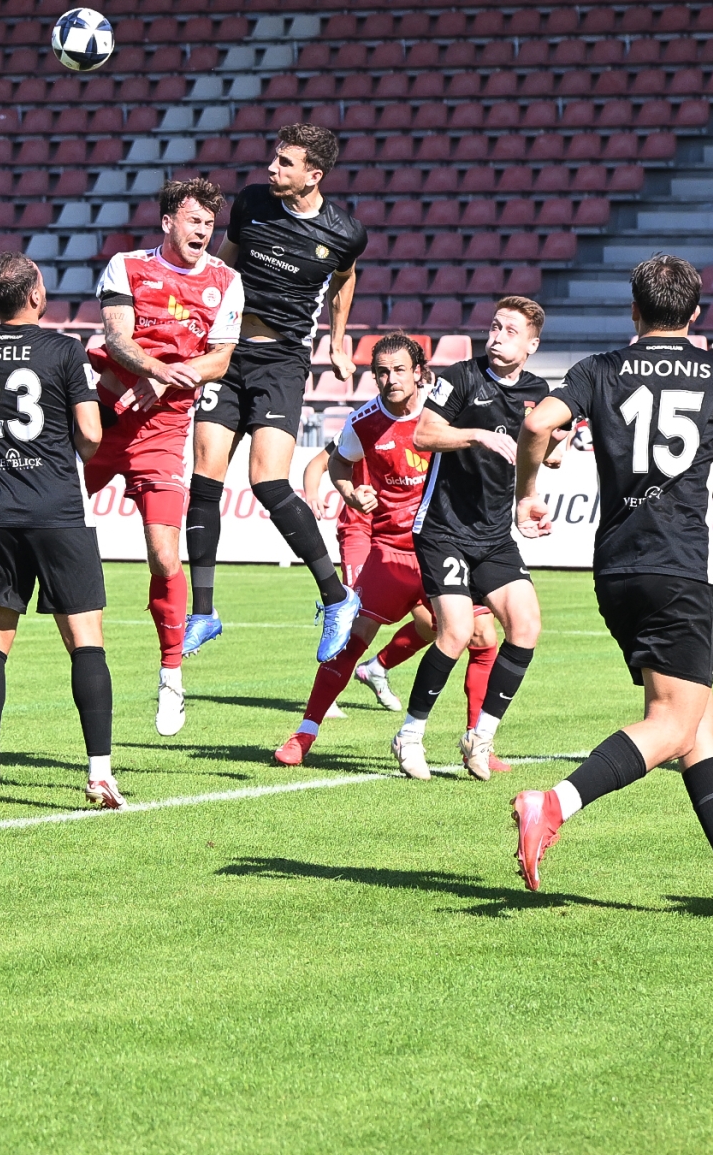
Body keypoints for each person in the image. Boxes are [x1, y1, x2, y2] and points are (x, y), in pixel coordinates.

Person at [510, 254, 713, 910]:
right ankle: (553, 803)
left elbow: (535, 423)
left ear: (634, 310)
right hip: (682, 564)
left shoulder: (599, 368)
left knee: (696, 718)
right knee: (672, 723)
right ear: (695, 314)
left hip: (617, 565)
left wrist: (527, 492)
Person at [273, 335, 514, 769]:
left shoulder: (445, 412)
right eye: (382, 372)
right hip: (392, 552)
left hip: (447, 545)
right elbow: (337, 463)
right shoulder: (364, 422)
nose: (391, 380)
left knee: (483, 638)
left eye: (400, 370)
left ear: (419, 372)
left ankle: (479, 744)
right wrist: (350, 493)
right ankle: (304, 734)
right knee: (351, 638)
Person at [182, 123, 368, 663]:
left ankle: (336, 598)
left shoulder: (344, 232)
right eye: (275, 158)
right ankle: (203, 613)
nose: (272, 168)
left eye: (286, 162)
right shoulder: (252, 202)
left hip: (282, 361)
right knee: (205, 479)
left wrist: (337, 342)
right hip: (227, 355)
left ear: (314, 174)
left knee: (267, 481)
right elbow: (223, 266)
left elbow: (345, 279)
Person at [86, 176, 242, 736]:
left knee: (163, 555)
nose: (204, 231)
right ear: (168, 222)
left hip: (164, 429)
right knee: (37, 501)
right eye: (194, 220)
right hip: (106, 414)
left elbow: (219, 361)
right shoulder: (126, 266)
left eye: (210, 223)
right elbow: (118, 339)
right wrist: (154, 370)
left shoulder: (226, 281)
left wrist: (166, 379)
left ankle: (171, 675)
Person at [0, 252, 118, 806]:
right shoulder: (64, 349)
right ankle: (100, 774)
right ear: (34, 295)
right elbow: (90, 434)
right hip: (56, 510)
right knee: (85, 641)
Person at [392, 296, 551, 781]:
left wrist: (535, 488)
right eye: (495, 327)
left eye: (510, 331)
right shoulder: (461, 377)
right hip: (443, 529)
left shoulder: (538, 392)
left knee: (526, 626)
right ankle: (410, 734)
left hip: (493, 534)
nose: (497, 336)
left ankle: (479, 738)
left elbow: (542, 449)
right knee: (457, 632)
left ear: (532, 344)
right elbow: (423, 434)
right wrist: (477, 434)